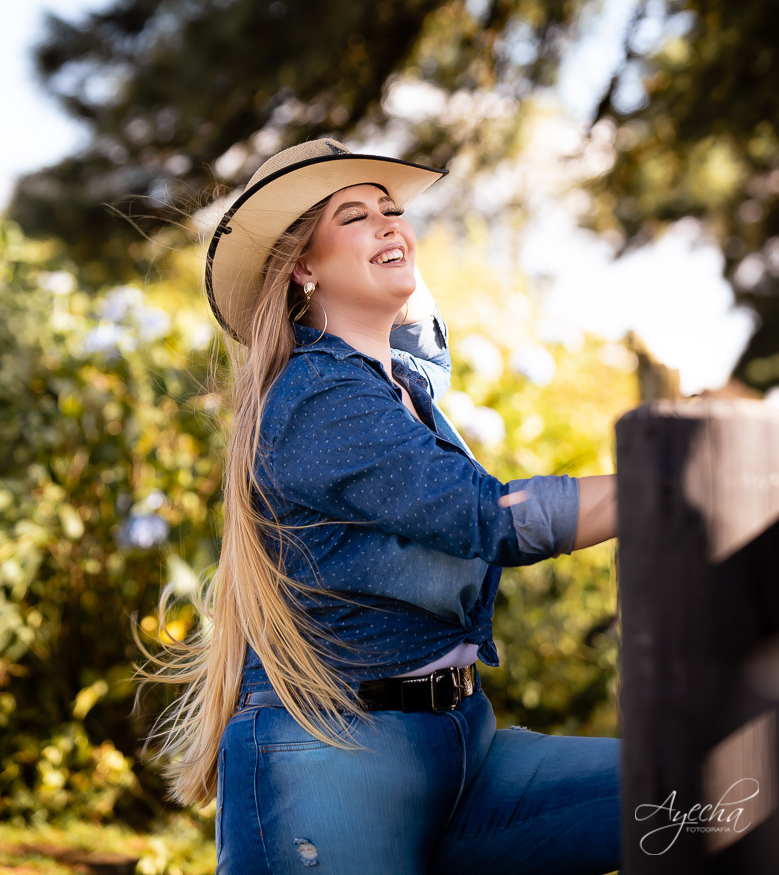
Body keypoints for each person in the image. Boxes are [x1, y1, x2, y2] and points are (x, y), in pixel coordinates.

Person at [139, 137, 622, 875]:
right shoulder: (318, 397)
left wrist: (388, 257)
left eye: (393, 209)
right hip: (336, 763)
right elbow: (488, 518)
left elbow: (423, 340)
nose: (389, 222)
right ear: (303, 266)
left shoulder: (402, 389)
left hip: (461, 740)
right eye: (354, 216)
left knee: (711, 789)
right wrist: (677, 485)